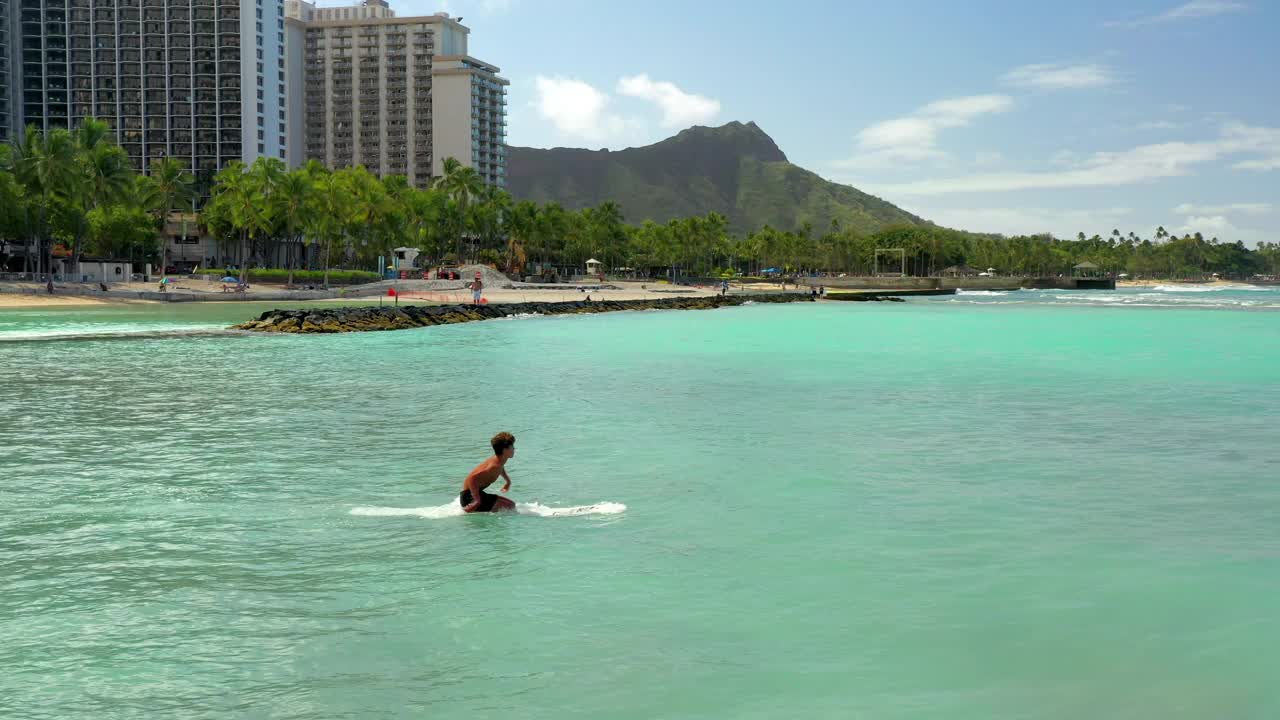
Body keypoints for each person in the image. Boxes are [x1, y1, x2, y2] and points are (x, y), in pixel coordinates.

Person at [459, 432, 518, 513]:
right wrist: (476, 500)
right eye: (512, 447)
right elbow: (472, 478)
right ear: (505, 450)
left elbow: (501, 468)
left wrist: (508, 481)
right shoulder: (494, 466)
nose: (514, 449)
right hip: (470, 498)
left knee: (511, 505)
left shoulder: (499, 460)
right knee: (510, 507)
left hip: (475, 494)